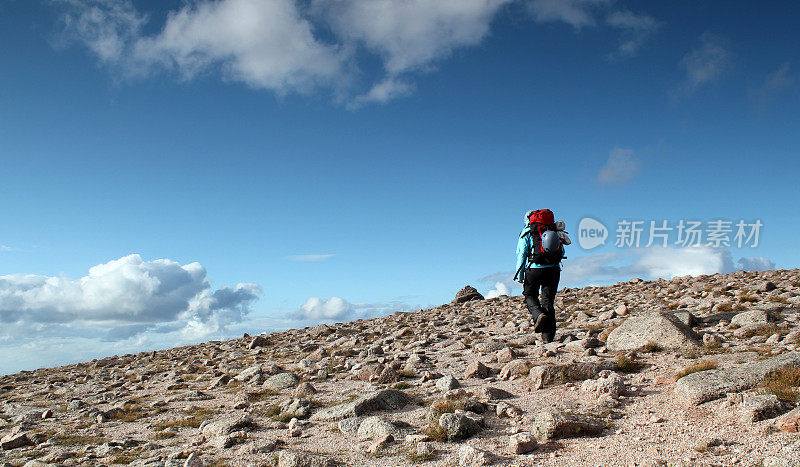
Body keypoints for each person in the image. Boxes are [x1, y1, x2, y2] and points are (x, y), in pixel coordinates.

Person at [514, 210, 565, 343]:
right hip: (553, 269)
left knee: (530, 295)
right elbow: (562, 250)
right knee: (548, 301)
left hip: (534, 269)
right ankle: (548, 337)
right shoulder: (553, 230)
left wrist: (520, 274)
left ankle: (538, 314)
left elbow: (521, 253)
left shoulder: (527, 232)